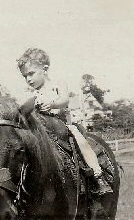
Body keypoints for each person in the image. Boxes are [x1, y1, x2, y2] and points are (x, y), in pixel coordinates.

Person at [17, 48, 113, 195]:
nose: (28, 79)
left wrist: (52, 104)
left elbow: (64, 100)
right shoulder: (31, 93)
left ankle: (98, 175)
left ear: (44, 69)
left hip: (62, 126)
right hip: (42, 130)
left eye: (31, 74)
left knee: (81, 142)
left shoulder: (57, 83)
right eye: (25, 76)